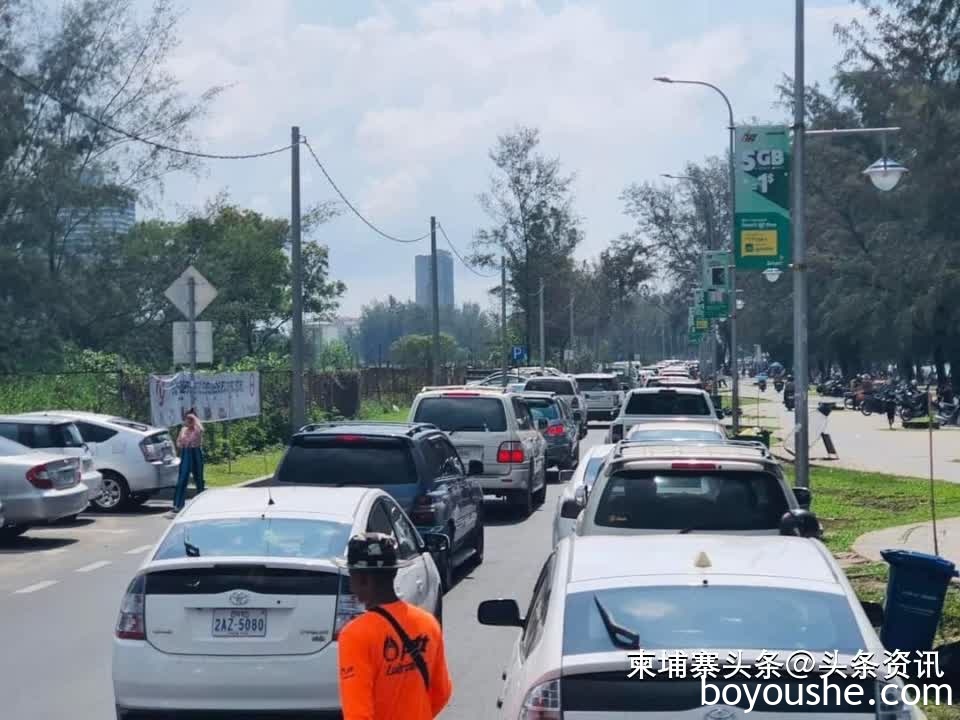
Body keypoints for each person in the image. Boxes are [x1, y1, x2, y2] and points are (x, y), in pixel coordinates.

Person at [337, 533, 452, 720]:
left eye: (352, 576)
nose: (351, 584)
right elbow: (442, 692)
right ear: (394, 572)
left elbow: (358, 714)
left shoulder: (355, 635)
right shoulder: (427, 623)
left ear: (364, 579)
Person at [167, 409, 205, 517]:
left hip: (195, 452)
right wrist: (182, 444)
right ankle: (178, 505)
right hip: (186, 453)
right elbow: (178, 442)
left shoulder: (198, 429)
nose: (188, 422)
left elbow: (200, 429)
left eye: (190, 420)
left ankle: (201, 503)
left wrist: (195, 420)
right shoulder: (183, 430)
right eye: (187, 419)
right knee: (183, 478)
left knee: (199, 478)